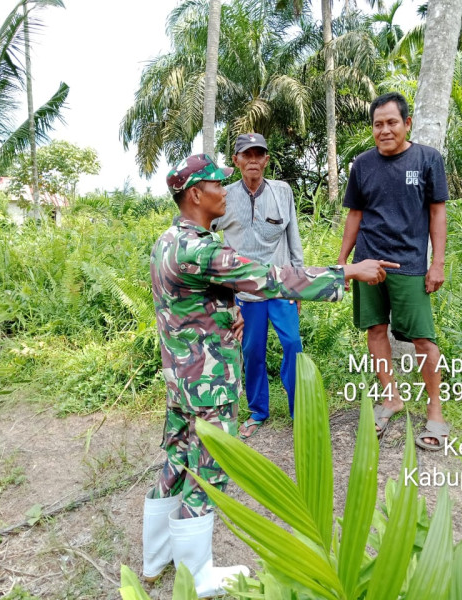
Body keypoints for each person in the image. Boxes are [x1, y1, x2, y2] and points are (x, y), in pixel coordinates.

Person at [143, 153, 397, 597]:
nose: (226, 192)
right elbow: (270, 277)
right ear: (196, 195)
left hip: (179, 376)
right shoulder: (202, 247)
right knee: (210, 468)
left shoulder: (168, 240)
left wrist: (224, 313)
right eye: (218, 186)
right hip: (208, 381)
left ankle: (154, 558)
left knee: (178, 459)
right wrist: (348, 271)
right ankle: (196, 575)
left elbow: (188, 301)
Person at [337, 92, 450, 449]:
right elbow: (354, 215)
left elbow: (438, 213)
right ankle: (391, 398)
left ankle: (435, 413)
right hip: (369, 262)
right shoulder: (362, 165)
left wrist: (437, 264)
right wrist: (343, 263)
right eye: (378, 124)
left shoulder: (428, 159)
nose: (384, 130)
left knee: (422, 339)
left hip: (411, 265)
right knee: (375, 331)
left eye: (391, 122)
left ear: (407, 124)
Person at [212, 133, 303, 440]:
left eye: (258, 154)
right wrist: (223, 286)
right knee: (252, 352)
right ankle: (258, 411)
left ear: (266, 159)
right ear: (236, 161)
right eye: (246, 155)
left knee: (293, 345)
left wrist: (298, 283)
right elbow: (202, 230)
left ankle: (299, 410)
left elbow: (293, 239)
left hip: (280, 287)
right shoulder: (224, 197)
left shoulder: (282, 192)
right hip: (245, 294)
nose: (253, 160)